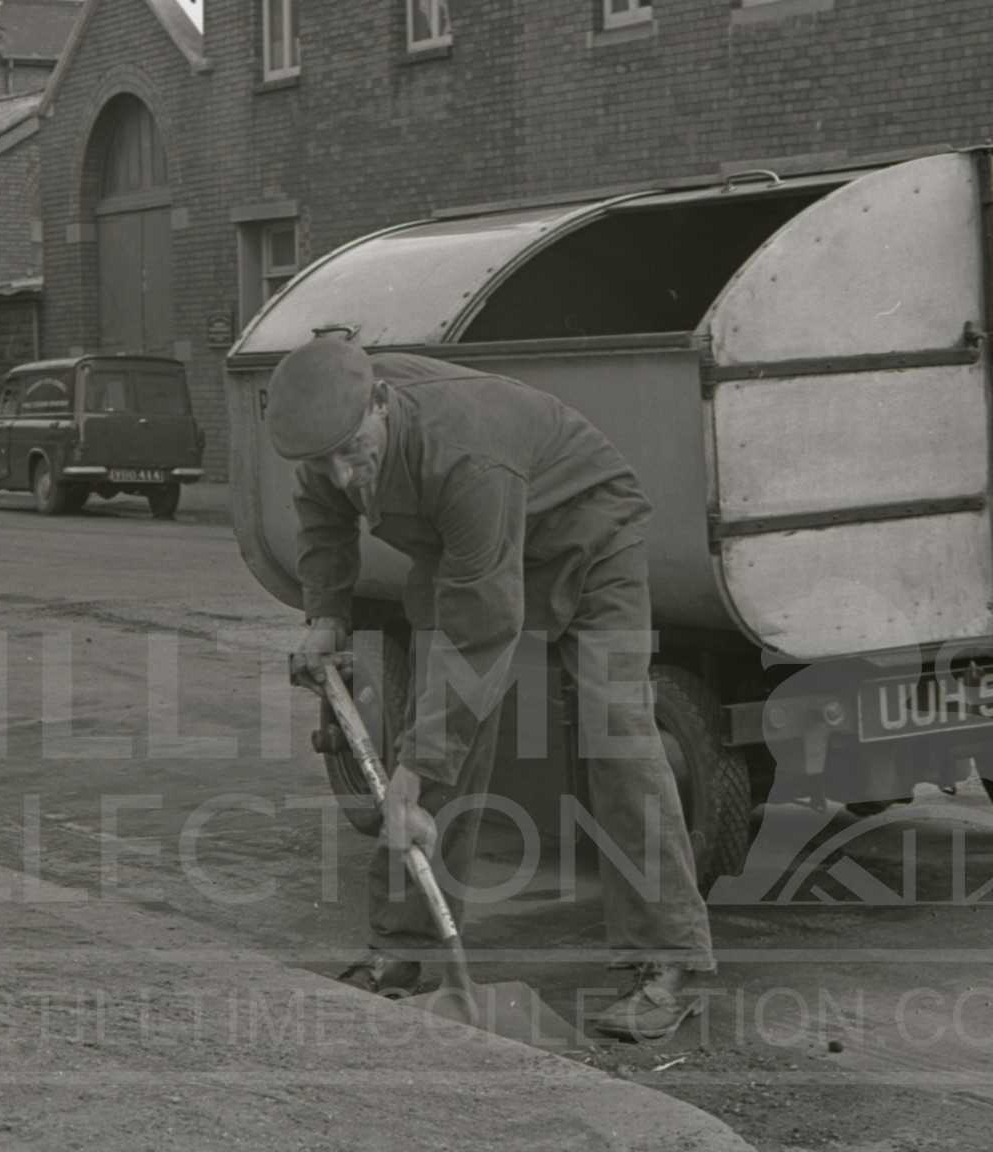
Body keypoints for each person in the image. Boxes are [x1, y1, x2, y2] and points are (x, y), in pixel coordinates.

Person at [272, 331, 715, 1042]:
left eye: (355, 451)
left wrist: (416, 766)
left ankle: (669, 961)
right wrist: (326, 615)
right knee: (435, 730)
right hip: (470, 546)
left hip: (588, 534)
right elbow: (324, 521)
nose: (345, 473)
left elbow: (482, 632)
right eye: (326, 461)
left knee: (615, 729)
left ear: (382, 403)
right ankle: (404, 949)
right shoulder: (328, 431)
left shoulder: (466, 450)